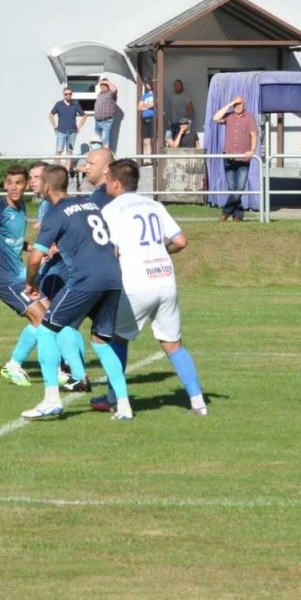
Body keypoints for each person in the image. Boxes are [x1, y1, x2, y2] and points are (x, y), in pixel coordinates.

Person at [22, 164, 130, 420]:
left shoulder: (56, 213)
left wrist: (31, 282)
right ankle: (124, 406)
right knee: (103, 341)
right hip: (114, 277)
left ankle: (51, 399)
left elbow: (36, 257)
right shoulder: (89, 204)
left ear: (47, 186)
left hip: (86, 279)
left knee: (47, 330)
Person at [98, 159, 206, 414]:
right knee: (173, 344)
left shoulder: (111, 210)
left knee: (116, 339)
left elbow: (111, 249)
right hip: (165, 280)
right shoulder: (154, 204)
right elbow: (180, 241)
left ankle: (115, 399)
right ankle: (198, 402)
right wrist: (159, 251)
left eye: (107, 179)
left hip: (136, 282)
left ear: (115, 182)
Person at [0, 167, 40, 386]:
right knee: (40, 319)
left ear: (25, 185)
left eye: (19, 183)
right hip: (4, 278)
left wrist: (32, 247)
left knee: (50, 316)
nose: (13, 187)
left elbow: (13, 239)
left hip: (21, 273)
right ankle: (13, 366)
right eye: (9, 182)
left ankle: (58, 366)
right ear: (4, 184)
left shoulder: (22, 207)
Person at [212, 95, 258, 222]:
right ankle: (238, 215)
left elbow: (254, 134)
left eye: (240, 104)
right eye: (235, 105)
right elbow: (215, 118)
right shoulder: (229, 116)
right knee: (233, 189)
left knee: (240, 188)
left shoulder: (250, 117)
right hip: (229, 157)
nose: (237, 107)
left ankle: (226, 212)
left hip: (243, 158)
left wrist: (252, 150)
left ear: (245, 104)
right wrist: (230, 103)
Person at [48, 87, 83, 161]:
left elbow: (84, 115)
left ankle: (67, 171)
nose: (68, 95)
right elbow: (51, 115)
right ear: (63, 94)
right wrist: (54, 127)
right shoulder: (59, 104)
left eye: (70, 94)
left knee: (69, 152)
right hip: (61, 131)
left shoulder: (75, 104)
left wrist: (79, 127)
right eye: (66, 94)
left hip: (72, 132)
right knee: (59, 151)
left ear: (72, 94)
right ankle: (56, 171)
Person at [91, 76, 118, 147]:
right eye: (101, 85)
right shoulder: (99, 94)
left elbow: (114, 89)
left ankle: (106, 157)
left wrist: (107, 82)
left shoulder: (110, 94)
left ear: (108, 86)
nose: (103, 86)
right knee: (97, 141)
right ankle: (99, 157)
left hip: (106, 121)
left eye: (105, 85)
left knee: (104, 140)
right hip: (97, 121)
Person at [138, 81, 156, 154]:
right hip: (145, 119)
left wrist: (144, 105)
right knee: (146, 140)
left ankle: (156, 158)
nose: (148, 85)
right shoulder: (144, 96)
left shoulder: (156, 94)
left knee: (155, 139)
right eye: (147, 84)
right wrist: (148, 106)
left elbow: (153, 104)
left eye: (150, 84)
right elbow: (139, 107)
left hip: (153, 118)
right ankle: (148, 159)